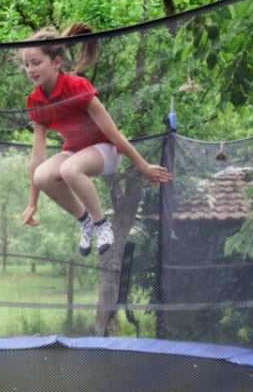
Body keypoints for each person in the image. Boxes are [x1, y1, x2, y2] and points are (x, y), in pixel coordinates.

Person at [21, 23, 172, 256]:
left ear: (57, 62)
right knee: (42, 175)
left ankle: (102, 224)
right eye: (27, 64)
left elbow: (113, 133)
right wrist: (33, 203)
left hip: (106, 151)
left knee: (70, 169)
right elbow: (37, 157)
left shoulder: (77, 87)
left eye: (36, 63)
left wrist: (143, 167)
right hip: (75, 150)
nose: (30, 69)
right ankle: (85, 220)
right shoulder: (35, 101)